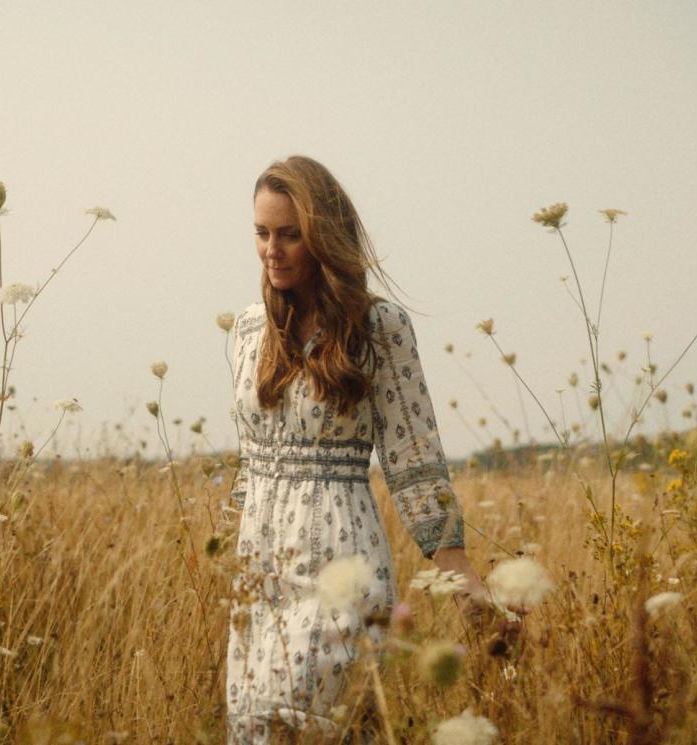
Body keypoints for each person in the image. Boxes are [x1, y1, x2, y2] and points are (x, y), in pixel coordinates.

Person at [225, 155, 491, 743]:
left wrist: (462, 577)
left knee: (327, 723)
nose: (272, 249)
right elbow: (248, 463)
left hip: (342, 561)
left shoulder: (381, 329)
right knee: (256, 727)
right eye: (262, 233)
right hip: (260, 569)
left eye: (290, 235)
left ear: (324, 238)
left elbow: (413, 459)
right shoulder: (246, 331)